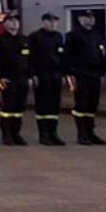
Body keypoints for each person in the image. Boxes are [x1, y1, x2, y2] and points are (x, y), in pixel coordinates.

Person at [65, 9, 106, 145]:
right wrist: (69, 74)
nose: (90, 20)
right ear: (80, 20)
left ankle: (90, 133)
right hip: (80, 74)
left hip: (94, 74)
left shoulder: (97, 35)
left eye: (91, 17)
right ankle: (82, 134)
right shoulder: (73, 35)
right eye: (86, 17)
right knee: (81, 104)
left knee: (92, 104)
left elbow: (101, 56)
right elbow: (67, 56)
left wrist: (102, 74)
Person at [0, 14, 30, 146]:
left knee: (19, 107)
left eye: (16, 21)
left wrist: (30, 75)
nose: (14, 23)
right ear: (5, 24)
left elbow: (30, 60)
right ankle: (7, 135)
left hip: (22, 78)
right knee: (8, 107)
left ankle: (16, 133)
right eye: (11, 21)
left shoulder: (24, 40)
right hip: (8, 79)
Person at [27, 13, 68, 146]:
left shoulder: (58, 36)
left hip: (55, 74)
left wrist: (63, 75)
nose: (53, 24)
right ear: (44, 22)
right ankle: (43, 134)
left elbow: (62, 57)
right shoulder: (35, 37)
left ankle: (53, 133)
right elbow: (30, 58)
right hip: (41, 74)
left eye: (55, 21)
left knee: (54, 105)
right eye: (50, 21)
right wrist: (32, 74)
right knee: (43, 104)